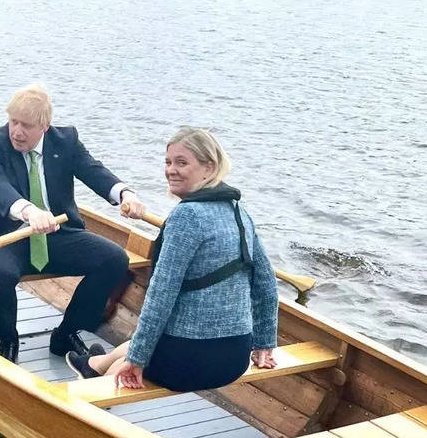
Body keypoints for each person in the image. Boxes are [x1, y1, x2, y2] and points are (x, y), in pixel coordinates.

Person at [65, 127, 278, 390]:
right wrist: (265, 343)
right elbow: (266, 284)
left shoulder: (186, 216)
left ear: (209, 168)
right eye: (168, 162)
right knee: (139, 347)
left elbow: (161, 295)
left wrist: (137, 360)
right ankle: (94, 364)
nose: (170, 170)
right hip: (235, 358)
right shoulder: (238, 211)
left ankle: (93, 405)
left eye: (182, 162)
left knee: (128, 363)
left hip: (188, 362)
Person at [0, 84, 147, 362]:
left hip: (56, 234)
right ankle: (9, 341)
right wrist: (28, 211)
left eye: (26, 126)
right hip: (3, 237)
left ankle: (67, 334)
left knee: (113, 259)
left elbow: (92, 170)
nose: (17, 132)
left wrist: (125, 194)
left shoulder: (66, 140)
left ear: (45, 127)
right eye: (13, 122)